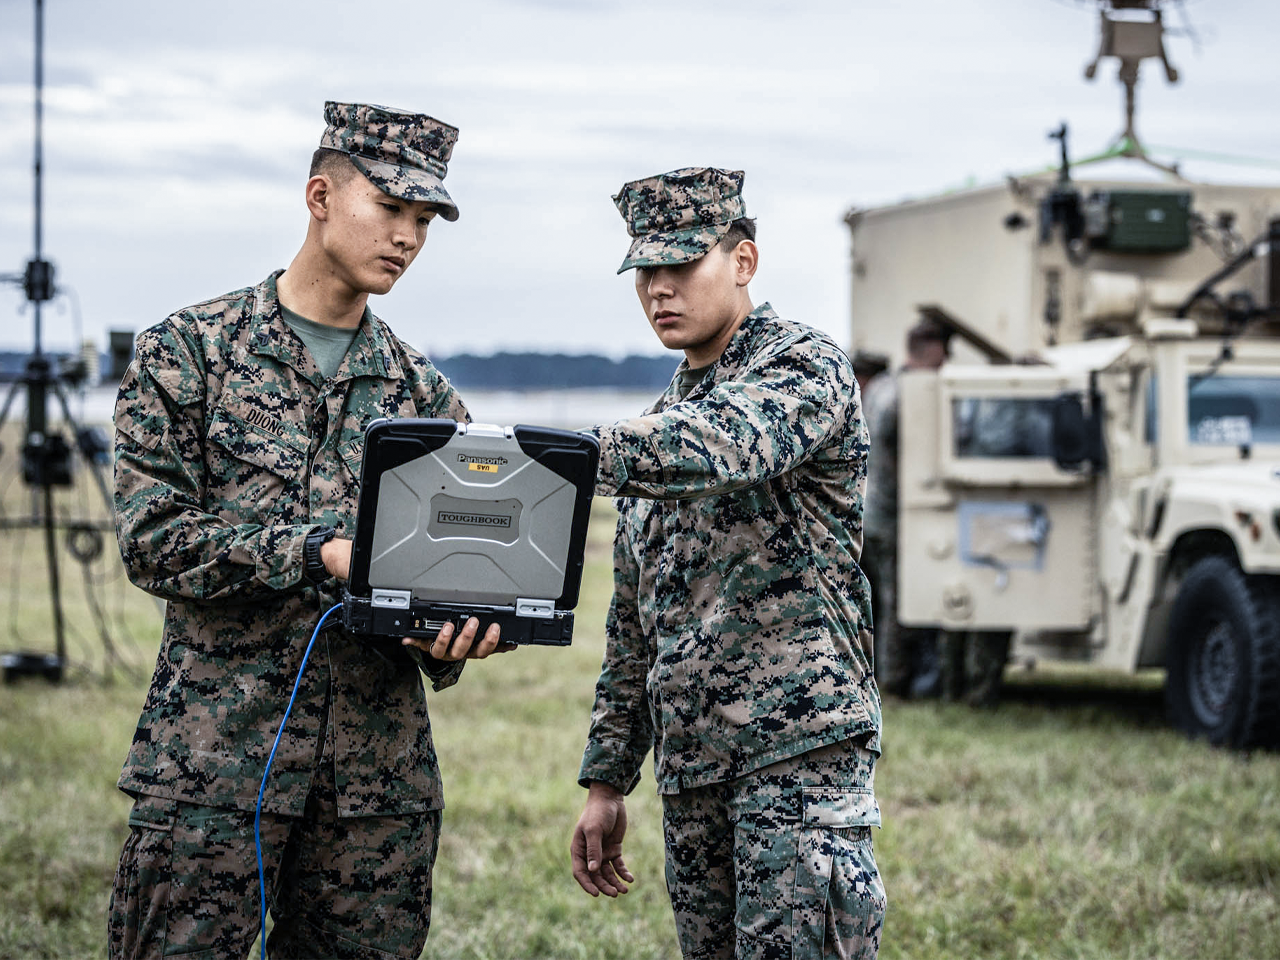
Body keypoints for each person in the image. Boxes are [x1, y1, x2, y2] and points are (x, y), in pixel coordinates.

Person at [107, 101, 511, 960]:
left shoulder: (424, 399)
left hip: (374, 795)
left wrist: (449, 638)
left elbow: (450, 575)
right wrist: (316, 550)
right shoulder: (191, 353)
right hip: (213, 769)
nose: (407, 237)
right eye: (390, 207)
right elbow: (153, 540)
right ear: (319, 197)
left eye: (424, 219)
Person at [569, 167, 885, 958]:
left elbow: (726, 443)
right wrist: (607, 780)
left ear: (744, 261)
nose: (659, 288)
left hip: (798, 756)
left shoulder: (802, 369)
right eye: (646, 270)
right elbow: (634, 627)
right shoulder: (657, 426)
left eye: (682, 264)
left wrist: (563, 456)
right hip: (694, 770)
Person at [862, 317, 951, 700]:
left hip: (870, 510)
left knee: (879, 603)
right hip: (894, 515)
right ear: (934, 350)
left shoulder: (882, 386)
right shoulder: (911, 395)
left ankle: (881, 674)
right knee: (899, 603)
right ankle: (893, 682)